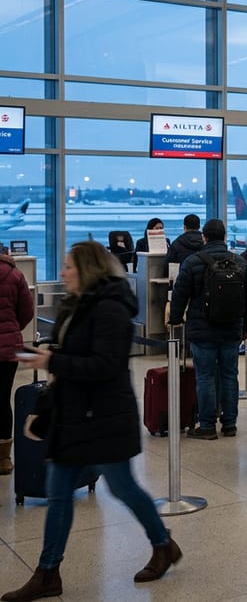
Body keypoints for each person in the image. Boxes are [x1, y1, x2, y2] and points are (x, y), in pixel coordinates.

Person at [6, 242, 184, 602]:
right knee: (58, 495)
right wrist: (50, 357)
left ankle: (163, 544)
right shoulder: (80, 304)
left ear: (87, 269)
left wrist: (52, 363)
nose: (63, 273)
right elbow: (78, 354)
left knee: (123, 488)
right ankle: (48, 572)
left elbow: (105, 365)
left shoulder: (110, 309)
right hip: (73, 416)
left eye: (69, 266)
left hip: (104, 418)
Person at [168, 219, 247, 440]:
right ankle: (229, 424)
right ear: (225, 237)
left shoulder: (192, 262)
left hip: (201, 329)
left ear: (204, 237)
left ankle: (206, 425)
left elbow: (179, 294)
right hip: (232, 329)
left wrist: (175, 320)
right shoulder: (240, 262)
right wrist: (245, 327)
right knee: (229, 375)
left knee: (205, 377)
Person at [0, 251, 34, 475]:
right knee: (2, 400)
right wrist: (11, 331)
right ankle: (3, 459)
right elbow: (27, 311)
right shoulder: (14, 273)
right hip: (7, 348)